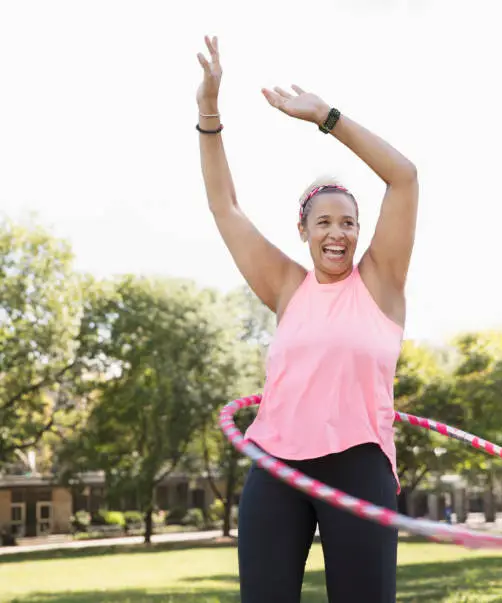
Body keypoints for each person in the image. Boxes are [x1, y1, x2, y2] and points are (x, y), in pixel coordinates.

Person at [197, 35, 419, 603]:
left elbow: (404, 177)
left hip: (360, 465)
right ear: (304, 230)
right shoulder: (286, 286)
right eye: (323, 222)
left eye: (348, 222)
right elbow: (225, 207)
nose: (338, 233)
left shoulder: (381, 283)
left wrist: (326, 117)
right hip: (275, 465)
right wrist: (209, 111)